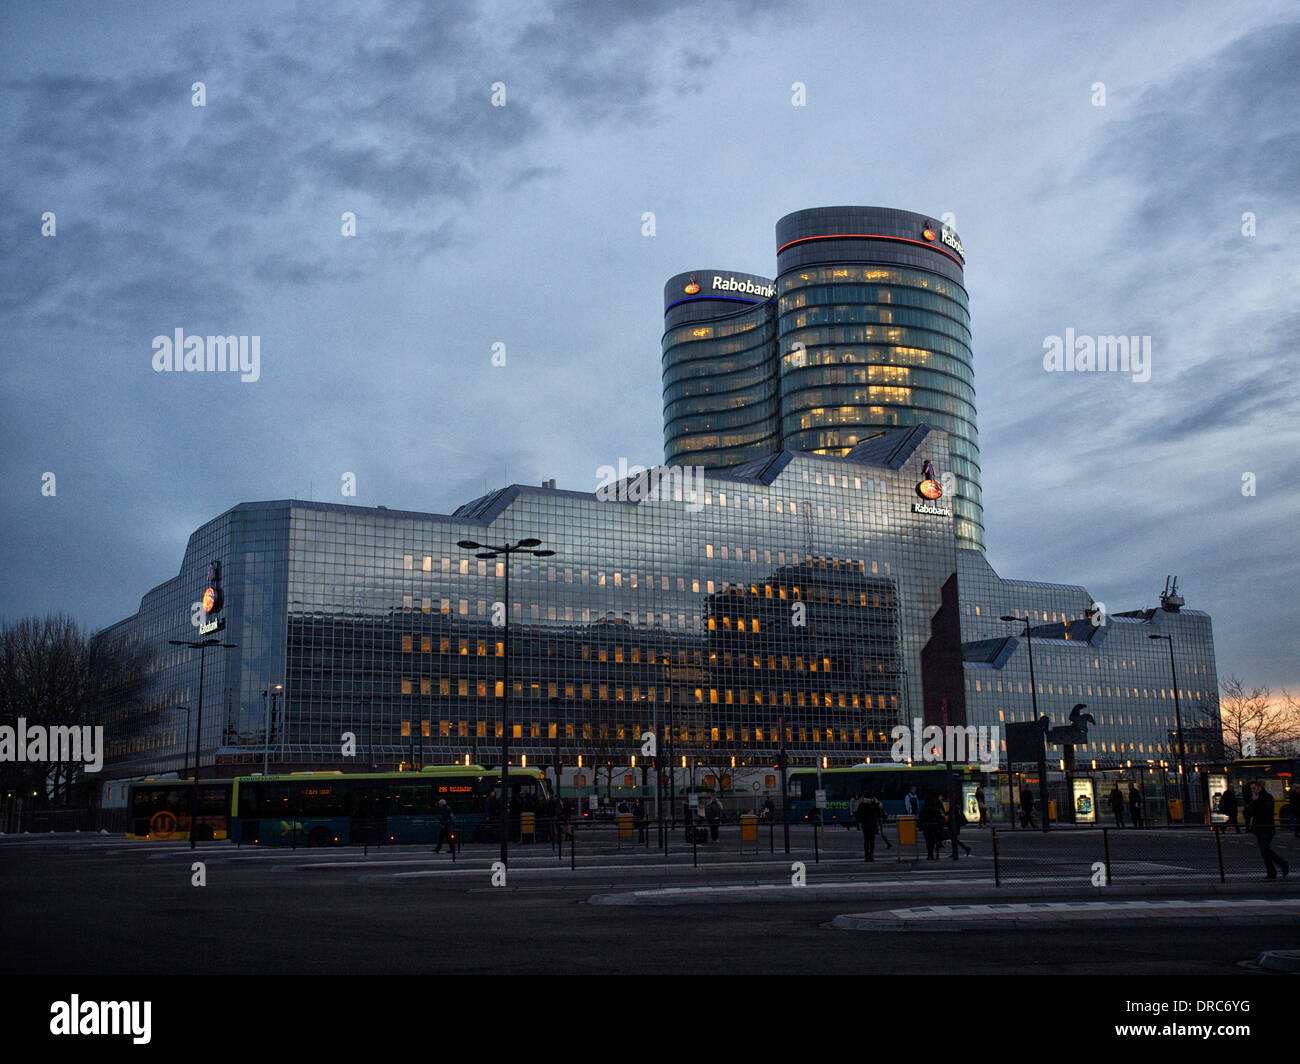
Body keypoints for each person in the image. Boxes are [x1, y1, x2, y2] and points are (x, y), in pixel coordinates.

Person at [1246, 780, 1289, 879]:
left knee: (1265, 849)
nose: (1253, 790)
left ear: (1259, 787)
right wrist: (1253, 803)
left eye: (1254, 788)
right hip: (1259, 828)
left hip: (1267, 827)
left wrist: (1255, 802)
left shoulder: (1267, 797)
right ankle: (1272, 872)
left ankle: (1282, 864)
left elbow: (1266, 811)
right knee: (1264, 851)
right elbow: (1249, 813)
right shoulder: (1256, 798)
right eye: (1251, 789)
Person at [855, 792, 882, 861]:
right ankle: (871, 855)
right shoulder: (874, 804)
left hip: (865, 824)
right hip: (873, 824)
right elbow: (879, 812)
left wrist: (860, 822)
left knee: (866, 840)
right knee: (872, 840)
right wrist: (878, 803)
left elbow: (858, 814)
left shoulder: (862, 805)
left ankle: (866, 855)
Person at [919, 792, 944, 860]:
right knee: (933, 840)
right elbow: (940, 819)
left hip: (926, 827)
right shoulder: (935, 809)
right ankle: (933, 853)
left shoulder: (923, 810)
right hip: (935, 826)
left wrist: (920, 827)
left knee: (928, 841)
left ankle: (930, 854)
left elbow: (920, 819)